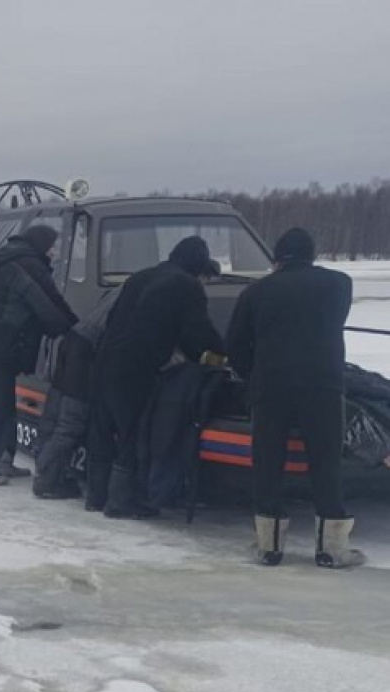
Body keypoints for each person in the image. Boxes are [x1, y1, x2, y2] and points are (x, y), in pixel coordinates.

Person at [226, 227, 364, 568]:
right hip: (323, 384)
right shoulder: (339, 284)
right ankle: (332, 549)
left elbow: (235, 345)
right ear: (311, 254)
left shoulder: (255, 292)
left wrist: (252, 375)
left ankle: (268, 547)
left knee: (268, 463)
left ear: (276, 259)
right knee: (326, 462)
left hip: (271, 387)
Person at [90, 236, 224, 517]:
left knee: (103, 428)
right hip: (137, 365)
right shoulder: (187, 286)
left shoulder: (141, 276)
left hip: (105, 356)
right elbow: (197, 331)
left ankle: (97, 495)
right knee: (133, 431)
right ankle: (121, 501)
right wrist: (222, 352)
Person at [0, 225, 78, 485]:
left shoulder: (11, 262)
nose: (56, 252)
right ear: (41, 244)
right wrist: (75, 331)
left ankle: (2, 461)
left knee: (2, 405)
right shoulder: (27, 266)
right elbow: (48, 305)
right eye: (53, 246)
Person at [32, 289, 119, 498]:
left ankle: (46, 472)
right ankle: (47, 480)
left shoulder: (121, 288)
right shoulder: (145, 291)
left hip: (71, 341)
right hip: (86, 352)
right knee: (71, 422)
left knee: (53, 418)